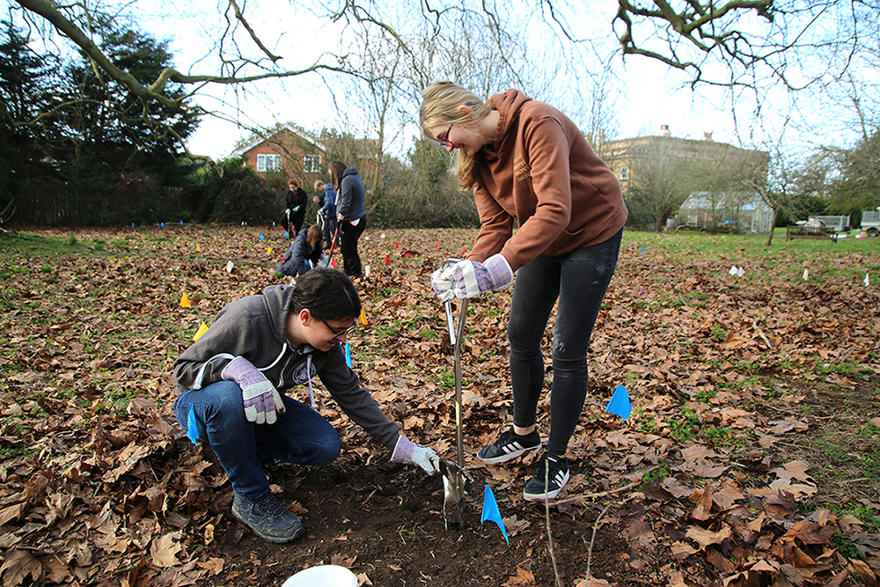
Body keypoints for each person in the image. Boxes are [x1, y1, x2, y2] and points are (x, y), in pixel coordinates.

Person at [421, 82, 627, 501]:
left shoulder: (538, 122)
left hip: (592, 230)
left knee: (567, 346)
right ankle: (524, 433)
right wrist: (470, 267)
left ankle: (556, 456)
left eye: (445, 135)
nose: (446, 146)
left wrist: (502, 265)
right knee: (521, 332)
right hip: (545, 236)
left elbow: (556, 208)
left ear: (464, 111)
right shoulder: (475, 158)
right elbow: (495, 226)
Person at [172, 268, 440, 543]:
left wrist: (401, 446)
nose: (343, 339)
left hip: (255, 409)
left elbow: (350, 393)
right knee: (228, 398)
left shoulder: (324, 348)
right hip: (201, 405)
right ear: (305, 317)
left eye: (347, 330)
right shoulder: (247, 318)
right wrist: (235, 368)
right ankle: (251, 497)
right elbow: (183, 369)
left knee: (324, 445)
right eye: (337, 330)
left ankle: (238, 449)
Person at [329, 160, 366, 278]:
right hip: (357, 217)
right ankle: (350, 272)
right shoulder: (354, 178)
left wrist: (341, 213)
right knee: (349, 247)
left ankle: (353, 273)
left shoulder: (347, 180)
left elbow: (346, 200)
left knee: (348, 249)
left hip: (351, 220)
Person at [313, 179, 338, 250]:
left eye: (318, 189)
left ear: (320, 186)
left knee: (333, 229)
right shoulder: (330, 189)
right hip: (331, 212)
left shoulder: (327, 191)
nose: (319, 191)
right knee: (325, 229)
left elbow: (329, 203)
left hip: (332, 212)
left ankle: (336, 245)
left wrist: (322, 209)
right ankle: (329, 243)